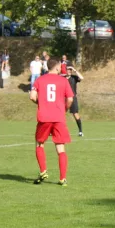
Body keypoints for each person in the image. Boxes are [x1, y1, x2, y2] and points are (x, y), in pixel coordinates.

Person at [30, 58, 75, 186]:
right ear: (56, 67)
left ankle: (43, 171)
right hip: (59, 117)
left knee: (39, 144)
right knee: (61, 148)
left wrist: (41, 103)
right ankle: (62, 178)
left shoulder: (40, 79)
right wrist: (64, 108)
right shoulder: (63, 81)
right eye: (60, 66)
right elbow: (70, 99)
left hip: (44, 117)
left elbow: (32, 96)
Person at [65, 66, 85, 136]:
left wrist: (74, 70)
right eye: (68, 70)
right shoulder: (62, 78)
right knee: (59, 114)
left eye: (70, 70)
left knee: (75, 114)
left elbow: (82, 78)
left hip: (73, 98)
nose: (69, 71)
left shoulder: (74, 78)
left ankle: (80, 131)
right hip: (63, 98)